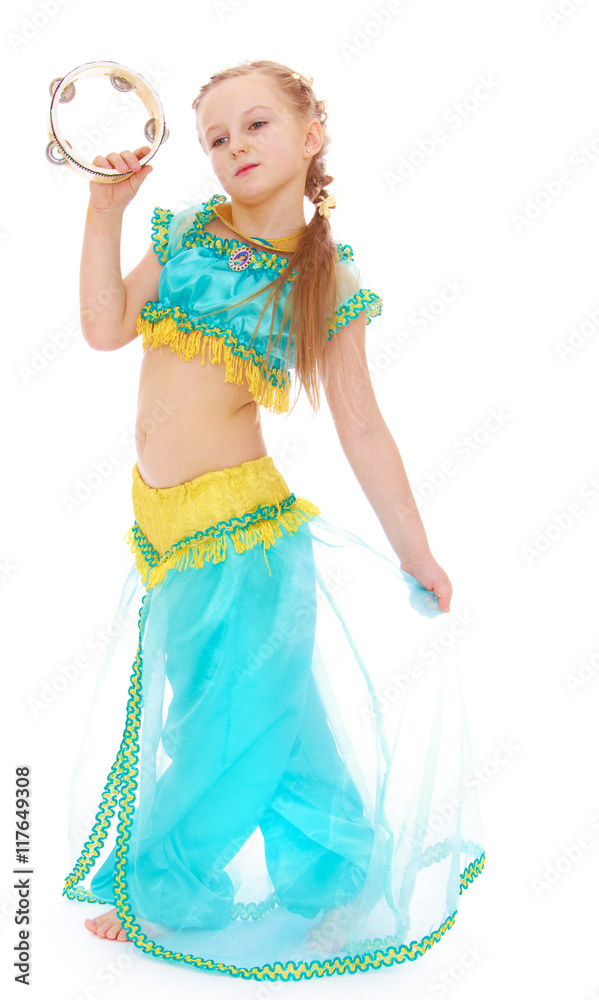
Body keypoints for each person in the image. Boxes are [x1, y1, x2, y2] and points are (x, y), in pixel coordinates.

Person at [62, 59, 485, 982]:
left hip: (244, 537)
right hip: (168, 531)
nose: (234, 146)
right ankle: (334, 877)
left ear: (310, 133)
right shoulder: (187, 235)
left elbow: (362, 424)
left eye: (255, 124)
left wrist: (416, 550)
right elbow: (104, 326)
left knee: (225, 720)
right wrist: (104, 211)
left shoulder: (321, 275)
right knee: (274, 717)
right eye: (215, 137)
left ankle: (164, 885)